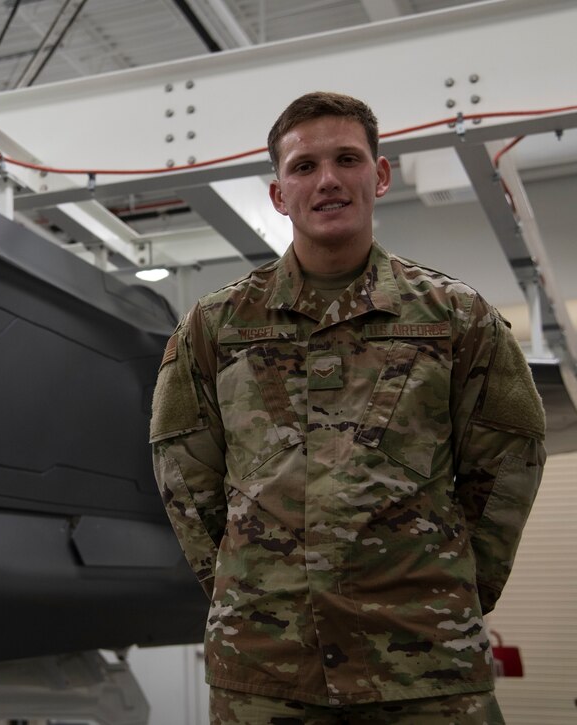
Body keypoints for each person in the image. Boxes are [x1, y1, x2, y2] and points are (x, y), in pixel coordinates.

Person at [149, 91, 546, 724]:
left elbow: (508, 461)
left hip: (424, 665)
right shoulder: (215, 326)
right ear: (279, 194)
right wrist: (249, 583)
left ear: (379, 175)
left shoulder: (456, 317)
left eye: (347, 159)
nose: (327, 179)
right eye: (304, 166)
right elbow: (183, 472)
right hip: (267, 669)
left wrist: (451, 585)